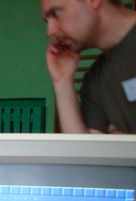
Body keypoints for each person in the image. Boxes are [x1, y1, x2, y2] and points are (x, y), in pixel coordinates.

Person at [43, 0, 136, 133]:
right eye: (47, 21)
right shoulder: (94, 81)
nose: (50, 31)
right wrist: (62, 81)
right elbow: (84, 146)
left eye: (55, 14)